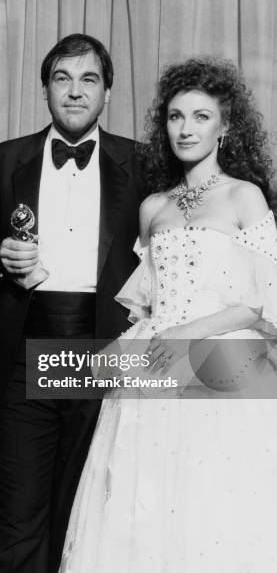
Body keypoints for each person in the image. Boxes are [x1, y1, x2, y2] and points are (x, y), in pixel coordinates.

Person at [60, 57, 277, 572]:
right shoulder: (153, 206)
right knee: (142, 492)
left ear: (225, 127)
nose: (186, 128)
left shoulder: (245, 197)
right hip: (153, 362)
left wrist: (190, 331)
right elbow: (150, 302)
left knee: (213, 495)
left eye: (201, 117)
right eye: (176, 116)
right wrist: (124, 348)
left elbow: (261, 301)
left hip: (223, 360)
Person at [0, 33, 142, 572]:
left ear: (107, 93)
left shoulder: (142, 164)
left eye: (89, 80)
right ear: (45, 89)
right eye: (62, 79)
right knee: (17, 510)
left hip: (104, 349)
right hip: (23, 345)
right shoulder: (2, 159)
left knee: (83, 508)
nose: (75, 92)